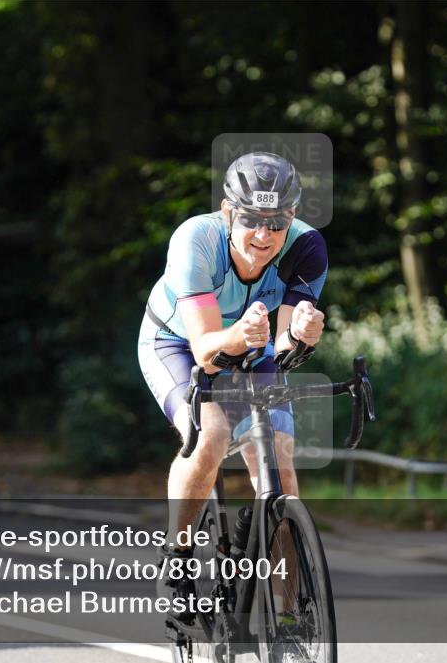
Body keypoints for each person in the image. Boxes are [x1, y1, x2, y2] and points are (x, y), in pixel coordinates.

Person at [137, 151, 327, 614]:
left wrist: (300, 338)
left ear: (293, 217)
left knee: (281, 464)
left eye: (276, 222)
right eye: (250, 221)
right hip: (176, 344)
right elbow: (205, 349)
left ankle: (290, 618)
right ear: (227, 213)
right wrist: (243, 337)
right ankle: (178, 558)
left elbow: (281, 349)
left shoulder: (307, 248)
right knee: (212, 434)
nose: (263, 236)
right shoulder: (195, 240)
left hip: (253, 345)